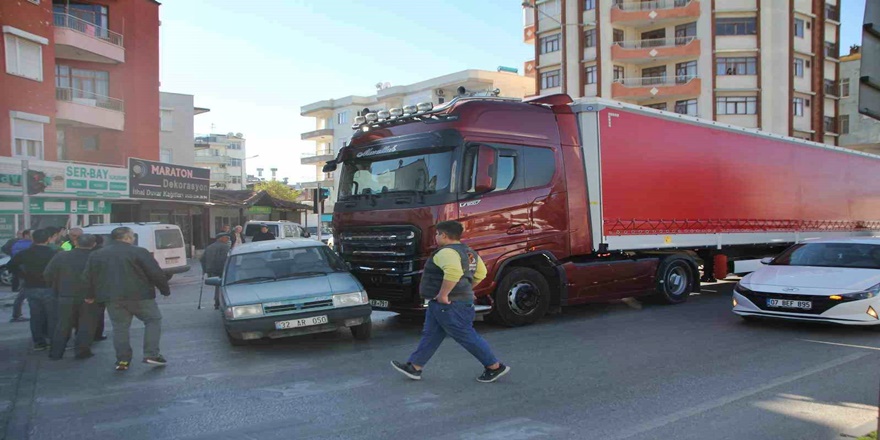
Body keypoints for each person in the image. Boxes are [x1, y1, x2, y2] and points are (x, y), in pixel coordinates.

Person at [391, 221, 510, 383]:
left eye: (437, 234)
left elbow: (454, 272)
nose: (436, 237)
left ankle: (494, 366)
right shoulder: (469, 252)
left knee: (465, 335)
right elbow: (481, 273)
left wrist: (444, 294)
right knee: (431, 335)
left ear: (444, 235)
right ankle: (415, 366)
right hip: (446, 303)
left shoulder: (446, 252)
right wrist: (466, 289)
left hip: (448, 304)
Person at [83, 227, 171, 371]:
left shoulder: (97, 254)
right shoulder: (139, 252)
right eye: (132, 236)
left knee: (120, 328)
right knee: (153, 320)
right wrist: (164, 290)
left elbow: (89, 276)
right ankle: (152, 354)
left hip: (112, 297)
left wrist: (89, 295)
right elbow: (155, 272)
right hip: (140, 296)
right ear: (128, 237)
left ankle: (122, 360)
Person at [44, 234, 99, 360]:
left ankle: (56, 352)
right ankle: (82, 351)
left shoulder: (61, 256)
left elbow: (48, 274)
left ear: (75, 243)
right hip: (89, 297)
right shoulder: (96, 257)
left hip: (65, 294)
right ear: (94, 244)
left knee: (62, 324)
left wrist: (56, 288)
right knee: (86, 325)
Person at [7, 229, 59, 350]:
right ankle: (54, 340)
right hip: (49, 286)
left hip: (31, 286)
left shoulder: (25, 253)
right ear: (48, 239)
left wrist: (22, 275)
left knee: (36, 316)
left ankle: (39, 342)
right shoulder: (54, 253)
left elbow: (11, 265)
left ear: (33, 239)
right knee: (52, 315)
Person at [201, 233, 231, 310]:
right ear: (221, 238)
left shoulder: (209, 247)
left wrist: (205, 270)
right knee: (222, 286)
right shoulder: (225, 247)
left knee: (217, 286)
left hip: (210, 270)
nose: (228, 239)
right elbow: (225, 259)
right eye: (227, 238)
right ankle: (219, 301)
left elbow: (202, 259)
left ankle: (217, 301)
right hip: (221, 269)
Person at [7, 229, 31, 322]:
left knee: (23, 293)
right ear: (26, 235)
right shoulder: (28, 245)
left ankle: (16, 314)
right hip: (26, 272)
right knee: (24, 293)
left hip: (21, 272)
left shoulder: (17, 244)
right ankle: (17, 314)